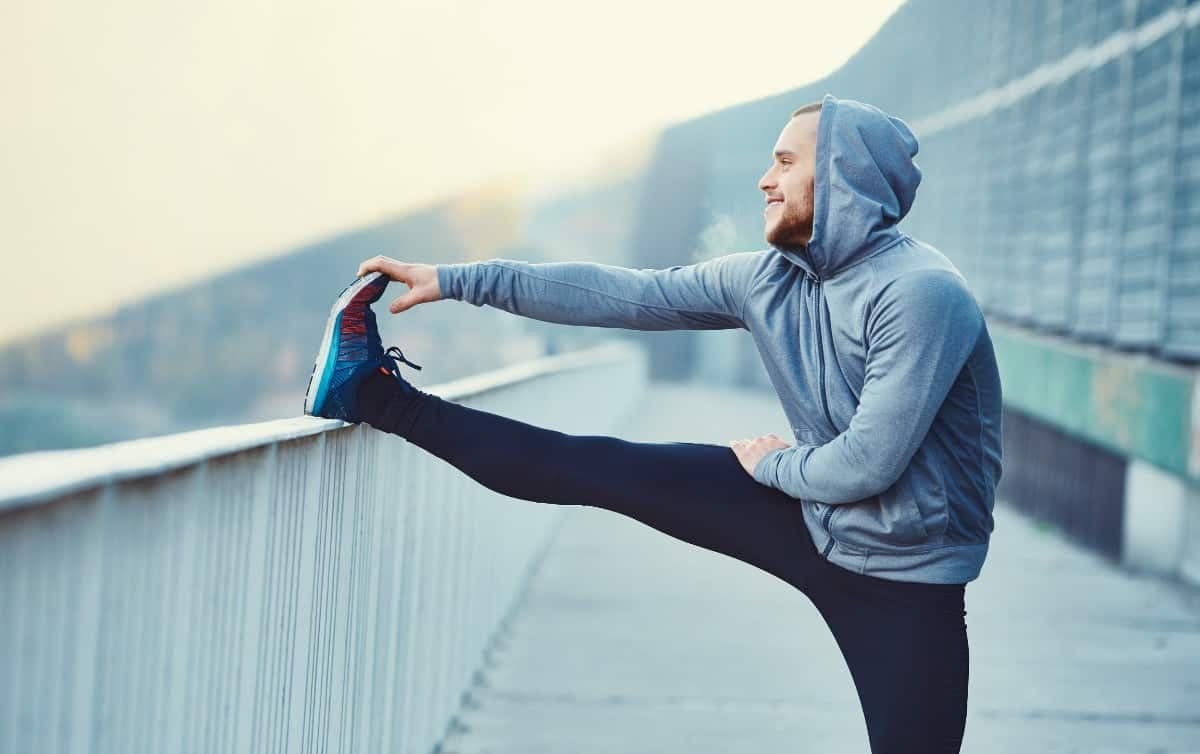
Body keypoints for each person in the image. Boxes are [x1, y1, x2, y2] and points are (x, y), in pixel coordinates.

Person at [302, 92, 1002, 754]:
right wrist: (457, 279)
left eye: (786, 162)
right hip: (813, 518)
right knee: (594, 465)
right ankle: (371, 395)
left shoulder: (921, 296)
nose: (765, 180)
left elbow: (867, 465)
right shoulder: (768, 280)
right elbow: (624, 295)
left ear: (844, 174)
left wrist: (771, 467)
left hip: (910, 580)